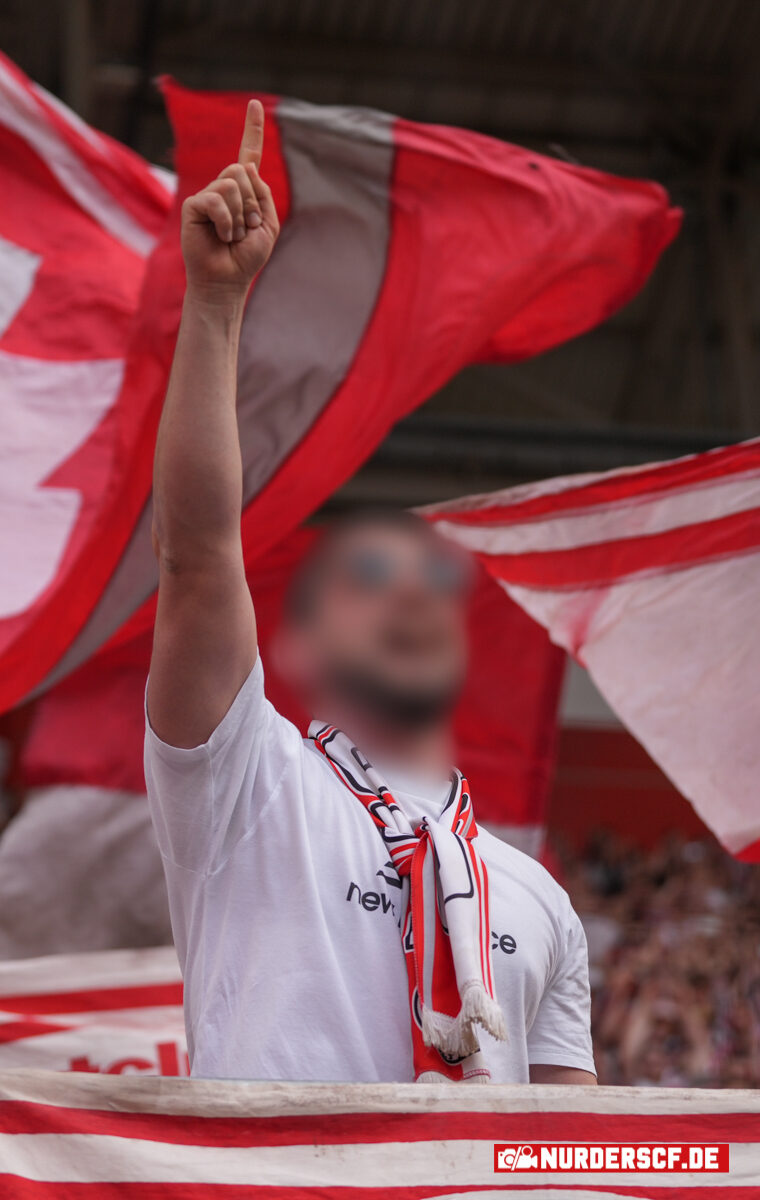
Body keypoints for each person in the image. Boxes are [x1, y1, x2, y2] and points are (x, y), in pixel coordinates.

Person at [145, 99, 596, 1085]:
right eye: (364, 579)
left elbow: (569, 1159)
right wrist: (217, 305)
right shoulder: (242, 784)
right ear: (299, 647)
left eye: (431, 581)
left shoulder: (539, 898)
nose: (409, 598)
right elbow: (195, 554)